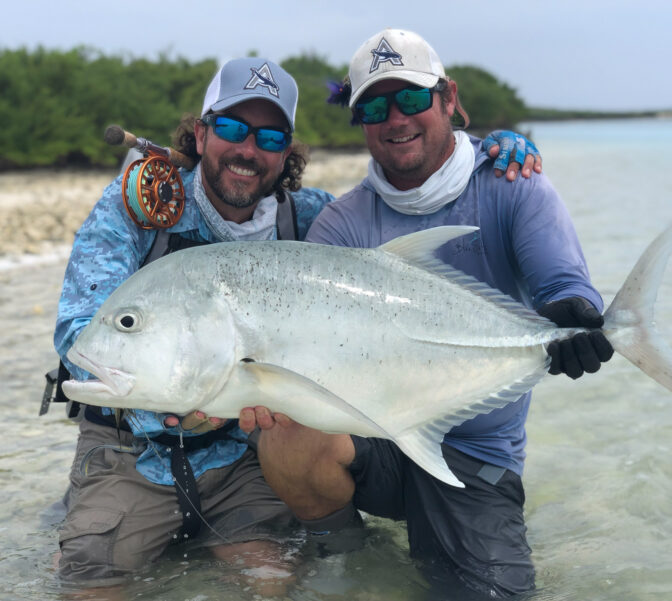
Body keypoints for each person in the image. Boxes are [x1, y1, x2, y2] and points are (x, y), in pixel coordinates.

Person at [52, 54, 540, 593]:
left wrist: (486, 153)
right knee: (86, 587)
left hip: (243, 462)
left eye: (269, 137)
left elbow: (401, 210)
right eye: (233, 128)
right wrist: (182, 403)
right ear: (200, 132)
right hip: (131, 454)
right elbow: (80, 334)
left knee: (278, 583)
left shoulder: (309, 218)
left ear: (286, 151)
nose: (247, 149)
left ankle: (349, 559)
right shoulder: (136, 207)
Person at [238, 29, 614, 599]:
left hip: (476, 457)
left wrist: (574, 316)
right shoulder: (342, 225)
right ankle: (346, 561)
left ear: (448, 98)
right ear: (360, 121)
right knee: (287, 436)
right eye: (374, 106)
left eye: (411, 99)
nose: (395, 118)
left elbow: (563, 287)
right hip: (374, 438)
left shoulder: (513, 185)